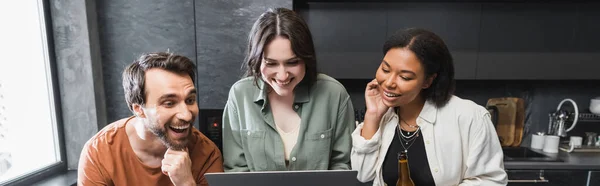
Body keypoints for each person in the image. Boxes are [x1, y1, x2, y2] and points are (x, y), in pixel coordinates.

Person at [351, 28, 507, 185]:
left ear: (428, 81)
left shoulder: (470, 116)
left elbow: (491, 181)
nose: (389, 82)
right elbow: (363, 176)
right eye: (385, 69)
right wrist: (372, 116)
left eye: (405, 77)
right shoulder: (383, 116)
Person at [222, 7, 355, 172]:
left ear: (307, 59)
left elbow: (342, 165)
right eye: (271, 63)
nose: (283, 75)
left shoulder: (334, 95)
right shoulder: (239, 96)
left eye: (292, 62)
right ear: (257, 61)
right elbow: (236, 170)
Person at [77, 52, 223, 186]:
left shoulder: (207, 154)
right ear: (139, 109)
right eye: (169, 103)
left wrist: (186, 183)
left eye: (190, 100)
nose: (186, 115)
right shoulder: (99, 152)